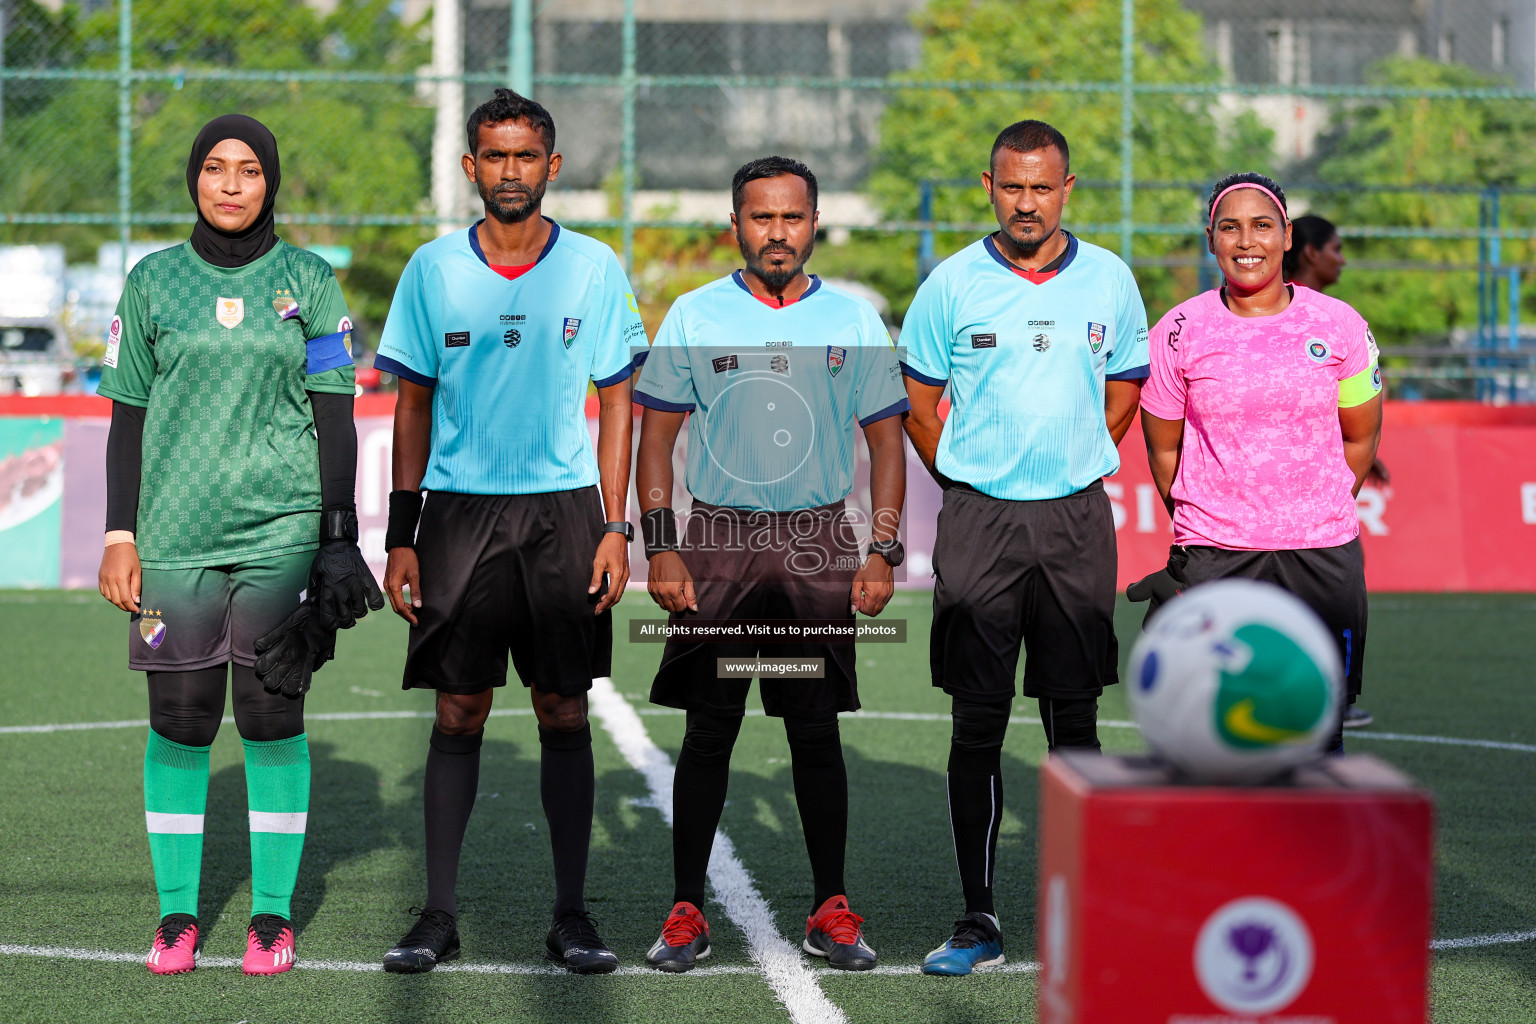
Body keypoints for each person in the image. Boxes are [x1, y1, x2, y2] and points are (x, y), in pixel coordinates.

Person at [96, 114, 380, 976]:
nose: (229, 183)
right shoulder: (150, 283)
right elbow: (127, 418)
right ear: (194, 179)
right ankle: (177, 915)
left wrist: (337, 535)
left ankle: (269, 917)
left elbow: (337, 412)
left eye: (248, 170)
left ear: (271, 182)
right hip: (173, 540)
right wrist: (119, 532)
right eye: (214, 168)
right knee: (179, 722)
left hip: (280, 533)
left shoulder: (310, 278)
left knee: (269, 713)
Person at [372, 89, 643, 975]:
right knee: (459, 708)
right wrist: (401, 533)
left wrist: (616, 524)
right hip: (457, 512)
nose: (511, 171)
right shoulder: (433, 269)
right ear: (471, 168)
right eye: (495, 156)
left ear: (552, 167)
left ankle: (571, 915)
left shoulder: (596, 268)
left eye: (527, 157)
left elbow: (617, 402)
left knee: (564, 707)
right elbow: (412, 403)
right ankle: (438, 914)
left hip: (564, 512)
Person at [632, 157, 908, 974]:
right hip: (716, 545)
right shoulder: (694, 313)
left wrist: (883, 547)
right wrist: (661, 541)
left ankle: (831, 909)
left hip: (817, 546)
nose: (776, 232)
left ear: (813, 224)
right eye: (761, 218)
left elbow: (885, 442)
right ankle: (686, 910)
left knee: (814, 732)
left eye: (791, 218)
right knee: (709, 730)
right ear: (736, 225)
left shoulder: (854, 321)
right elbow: (655, 439)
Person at [899, 120, 1150, 975]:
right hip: (980, 522)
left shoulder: (1111, 279)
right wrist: (967, 477)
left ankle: (1095, 909)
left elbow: (1125, 387)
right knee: (978, 723)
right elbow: (919, 402)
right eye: (1013, 186)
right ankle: (978, 919)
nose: (1028, 202)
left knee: (1073, 720)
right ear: (989, 185)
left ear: (1068, 189)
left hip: (1076, 519)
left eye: (1043, 187)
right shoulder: (951, 284)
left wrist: (1076, 459)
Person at [1132, 172, 1383, 756]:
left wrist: (1315, 509)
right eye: (1231, 227)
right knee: (1205, 727)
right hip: (1215, 556)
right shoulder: (1176, 332)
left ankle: (1313, 849)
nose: (1248, 242)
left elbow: (1361, 438)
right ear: (1211, 239)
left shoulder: (1339, 325)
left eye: (1262, 226)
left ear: (1287, 236)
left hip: (1321, 555)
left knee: (1320, 728)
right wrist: (1207, 520)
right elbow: (1163, 450)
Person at [1283, 212, 1378, 729]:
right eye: (1336, 247)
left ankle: (1329, 690)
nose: (1342, 258)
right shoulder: (1265, 305)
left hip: (1320, 510)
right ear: (1312, 251)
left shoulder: (1338, 319)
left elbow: (1348, 414)